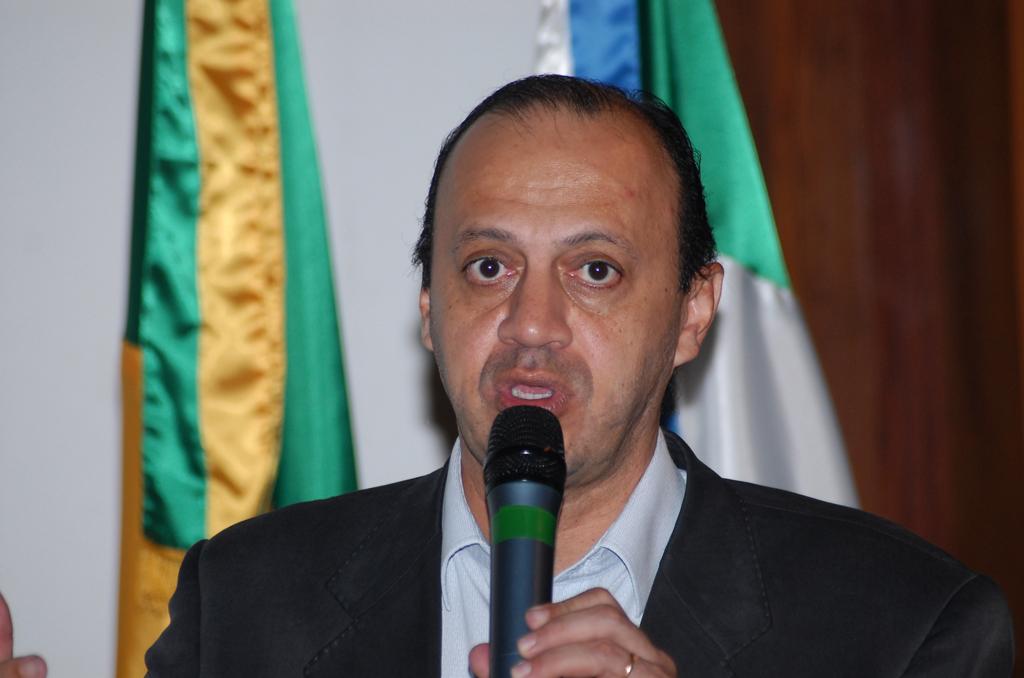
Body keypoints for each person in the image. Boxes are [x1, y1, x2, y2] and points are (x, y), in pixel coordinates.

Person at [2, 75, 1012, 678]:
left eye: (595, 271)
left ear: (692, 313)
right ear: (428, 307)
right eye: (488, 268)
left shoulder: (903, 629)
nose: (532, 326)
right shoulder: (245, 603)